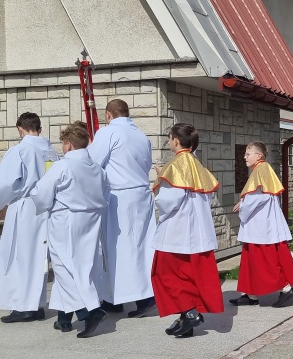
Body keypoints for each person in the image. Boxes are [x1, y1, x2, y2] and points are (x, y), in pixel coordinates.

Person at [31, 122, 109, 338]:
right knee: (82, 268)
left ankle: (90, 311)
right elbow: (106, 191)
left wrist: (40, 200)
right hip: (91, 220)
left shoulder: (63, 166)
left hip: (66, 221)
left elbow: (42, 192)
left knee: (64, 268)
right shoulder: (98, 168)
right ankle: (65, 318)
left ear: (68, 145)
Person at [151, 123, 223, 338]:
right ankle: (185, 319)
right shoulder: (197, 164)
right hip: (197, 230)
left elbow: (168, 201)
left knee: (165, 274)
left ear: (175, 140)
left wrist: (160, 183)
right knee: (189, 276)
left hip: (177, 230)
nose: (168, 141)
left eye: (169, 138)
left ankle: (190, 313)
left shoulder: (176, 165)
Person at [87, 99, 157, 318]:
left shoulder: (108, 133)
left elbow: (91, 163)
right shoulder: (141, 136)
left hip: (121, 196)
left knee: (120, 249)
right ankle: (114, 297)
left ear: (109, 115)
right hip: (141, 194)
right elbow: (146, 165)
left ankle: (143, 299)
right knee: (141, 247)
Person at [0, 113, 59, 324]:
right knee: (38, 259)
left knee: (20, 256)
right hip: (46, 207)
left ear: (20, 130)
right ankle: (37, 305)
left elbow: (7, 184)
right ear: (39, 129)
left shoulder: (20, 150)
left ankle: (24, 306)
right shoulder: (51, 152)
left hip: (24, 207)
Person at [229, 142, 293, 307]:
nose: (245, 157)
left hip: (261, 225)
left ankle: (286, 289)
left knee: (262, 260)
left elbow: (259, 197)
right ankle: (251, 295)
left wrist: (243, 204)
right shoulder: (261, 169)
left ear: (259, 156)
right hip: (261, 223)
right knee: (252, 260)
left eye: (248, 154)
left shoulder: (261, 169)